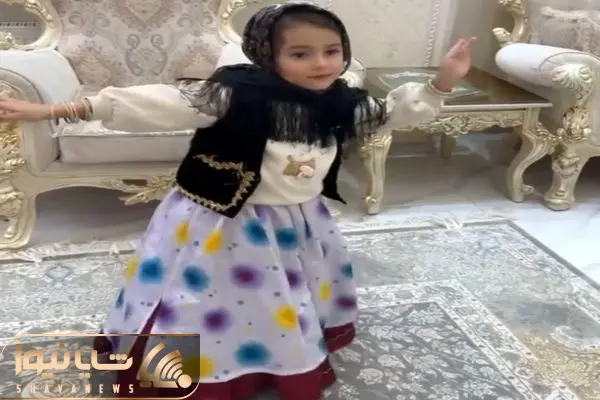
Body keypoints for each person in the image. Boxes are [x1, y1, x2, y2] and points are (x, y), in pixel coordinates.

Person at [0, 3, 474, 399]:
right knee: (202, 297)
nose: (321, 64)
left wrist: (441, 83)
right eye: (301, 53)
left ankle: (276, 354)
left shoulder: (339, 102)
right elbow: (158, 103)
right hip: (222, 219)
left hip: (297, 220)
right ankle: (194, 366)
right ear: (268, 55)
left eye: (332, 51)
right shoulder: (233, 94)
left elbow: (389, 114)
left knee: (283, 294)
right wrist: (53, 109)